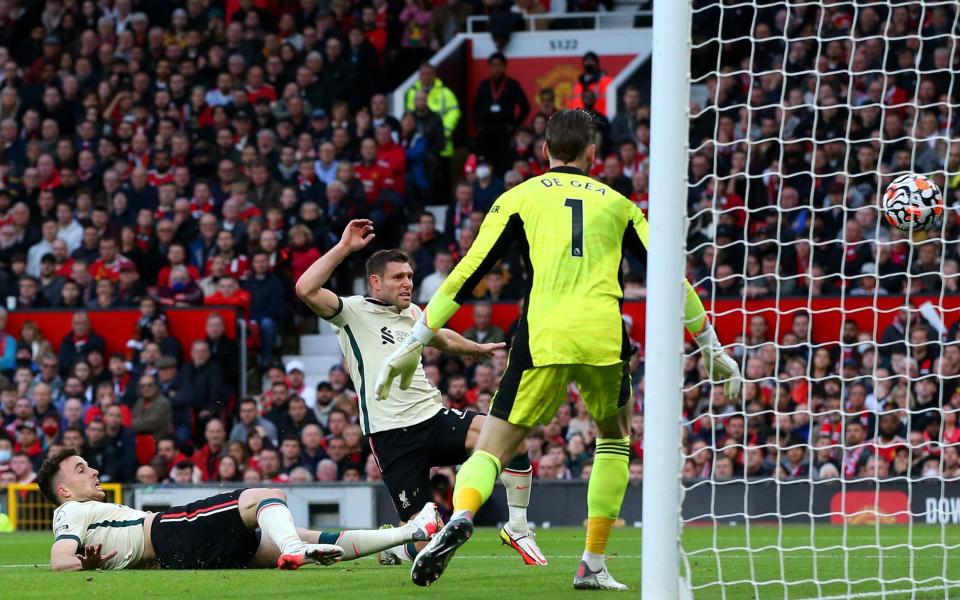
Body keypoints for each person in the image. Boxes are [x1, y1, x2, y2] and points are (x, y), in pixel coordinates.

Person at [376, 109, 741, 590]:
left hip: (542, 335)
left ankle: (462, 514)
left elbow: (467, 273)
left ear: (545, 151)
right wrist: (712, 347)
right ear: (593, 154)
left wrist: (414, 341)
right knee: (613, 439)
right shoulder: (620, 204)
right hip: (603, 337)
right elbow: (674, 277)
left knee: (493, 448)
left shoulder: (519, 198)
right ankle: (592, 563)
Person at [295, 220, 546, 567]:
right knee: (427, 536)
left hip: (433, 417)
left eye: (410, 276)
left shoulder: (413, 312)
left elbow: (441, 337)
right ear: (376, 281)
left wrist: (473, 347)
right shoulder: (350, 312)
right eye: (399, 277)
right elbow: (306, 289)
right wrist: (344, 247)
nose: (408, 283)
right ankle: (395, 547)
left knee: (513, 438)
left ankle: (518, 527)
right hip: (392, 435)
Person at [38, 447, 442, 571]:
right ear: (63, 490)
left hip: (174, 557)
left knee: (310, 538)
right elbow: (59, 561)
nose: (93, 470)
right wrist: (84, 566)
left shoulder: (89, 513)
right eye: (80, 469)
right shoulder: (69, 512)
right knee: (265, 496)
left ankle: (411, 535)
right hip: (168, 532)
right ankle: (295, 549)